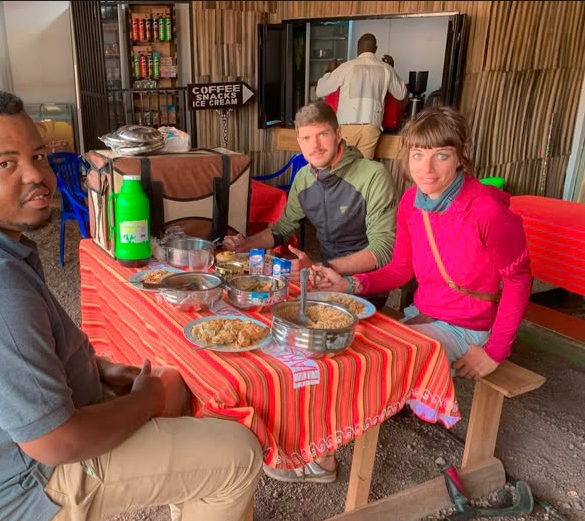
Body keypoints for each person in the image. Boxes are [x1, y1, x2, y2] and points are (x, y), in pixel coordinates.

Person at [0, 88, 262, 521]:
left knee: (172, 386)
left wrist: (97, 369)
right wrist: (145, 401)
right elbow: (56, 442)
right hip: (22, 480)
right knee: (236, 453)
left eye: (38, 155)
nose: (37, 176)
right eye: (5, 164)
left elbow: (13, 361)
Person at [312, 107, 532, 380]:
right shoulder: (412, 202)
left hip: (467, 326)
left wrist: (495, 352)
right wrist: (350, 284)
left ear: (460, 156)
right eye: (418, 155)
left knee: (367, 367)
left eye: (441, 155)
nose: (426, 169)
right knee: (337, 346)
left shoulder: (486, 211)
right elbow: (401, 269)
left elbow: (519, 281)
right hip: (424, 314)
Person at [224, 100, 397, 281]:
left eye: (322, 134)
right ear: (299, 142)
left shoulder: (373, 175)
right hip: (323, 277)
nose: (315, 145)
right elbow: (283, 228)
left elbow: (383, 249)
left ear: (338, 135)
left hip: (367, 282)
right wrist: (245, 245)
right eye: (306, 138)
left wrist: (319, 267)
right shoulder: (303, 178)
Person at [315, 33, 407, 160]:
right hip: (371, 126)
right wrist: (392, 68)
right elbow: (401, 93)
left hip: (348, 126)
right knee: (364, 169)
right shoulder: (386, 69)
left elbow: (320, 90)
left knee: (343, 167)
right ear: (375, 49)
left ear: (357, 49)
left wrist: (329, 72)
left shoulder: (346, 67)